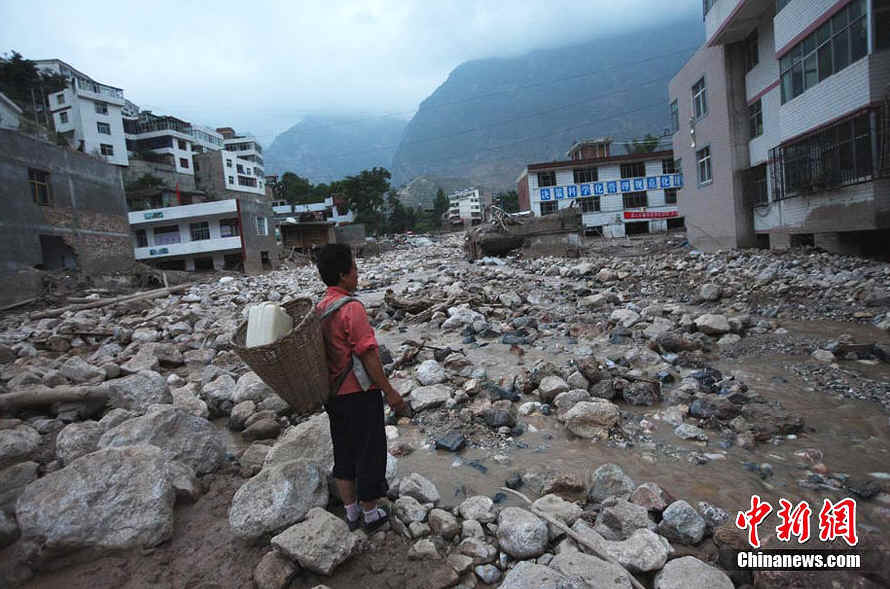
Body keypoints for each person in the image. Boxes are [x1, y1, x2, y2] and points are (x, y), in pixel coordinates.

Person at [315, 244, 410, 532]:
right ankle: (370, 514)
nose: (357, 274)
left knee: (344, 450)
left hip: (334, 395)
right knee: (369, 450)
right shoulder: (351, 308)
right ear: (343, 275)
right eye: (354, 269)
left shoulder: (320, 308)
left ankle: (351, 511)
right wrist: (390, 392)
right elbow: (368, 355)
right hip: (359, 393)